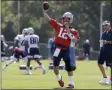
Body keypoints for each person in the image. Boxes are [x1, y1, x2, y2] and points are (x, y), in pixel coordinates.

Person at [43, 7, 80, 88]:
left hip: (66, 49)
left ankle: (71, 83)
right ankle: (59, 78)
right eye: (64, 19)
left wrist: (68, 30)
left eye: (67, 19)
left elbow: (75, 41)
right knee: (55, 67)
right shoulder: (59, 26)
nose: (65, 20)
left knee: (69, 67)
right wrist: (44, 12)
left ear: (70, 20)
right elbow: (49, 19)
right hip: (57, 48)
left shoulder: (74, 31)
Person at [98, 20, 112, 85]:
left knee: (111, 66)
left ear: (109, 25)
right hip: (103, 50)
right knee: (99, 63)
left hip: (110, 51)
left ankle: (111, 80)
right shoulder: (104, 33)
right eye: (104, 25)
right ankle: (104, 77)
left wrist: (108, 42)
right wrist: (102, 42)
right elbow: (102, 41)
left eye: (106, 25)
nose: (105, 27)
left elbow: (109, 41)